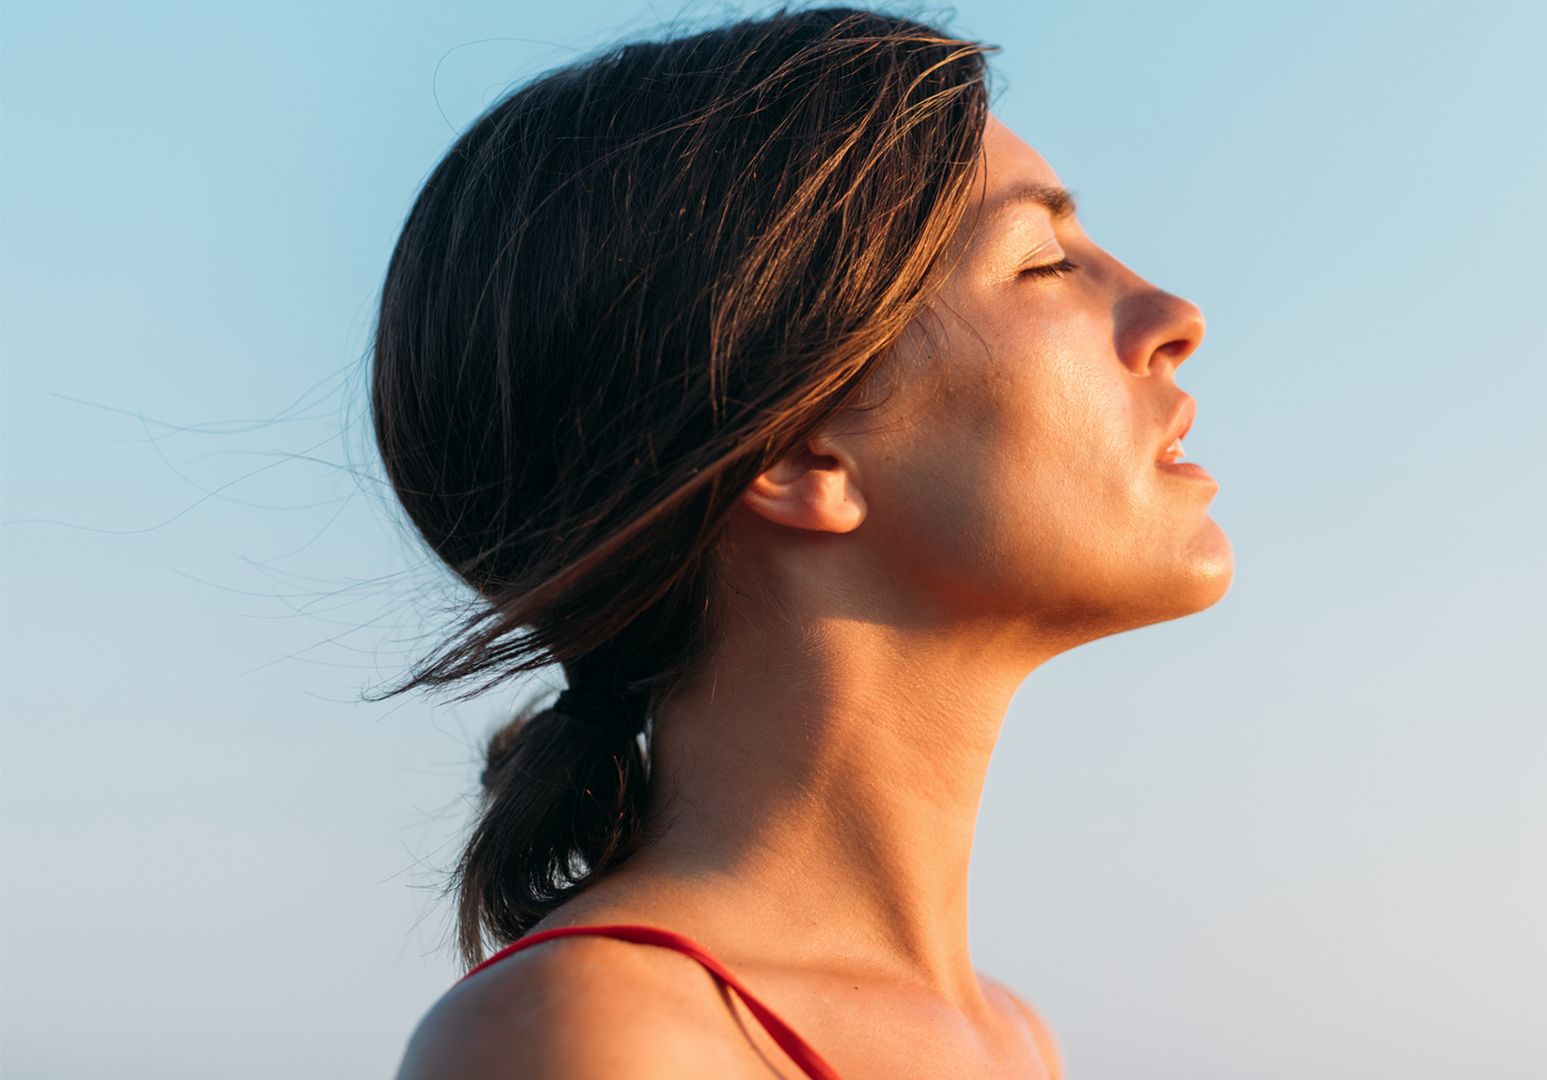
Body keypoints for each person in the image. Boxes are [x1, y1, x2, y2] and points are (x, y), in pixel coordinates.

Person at [378, 6, 1230, 1077]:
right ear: (797, 454)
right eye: (1043, 262)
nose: (1174, 312)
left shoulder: (1010, 1041)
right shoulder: (606, 1040)